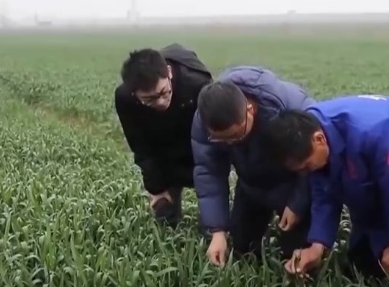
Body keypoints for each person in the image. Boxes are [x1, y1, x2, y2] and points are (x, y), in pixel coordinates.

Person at [263, 94, 389, 282]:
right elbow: (324, 191)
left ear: (319, 139)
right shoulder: (309, 130)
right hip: (379, 164)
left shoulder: (374, 133)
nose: (307, 172)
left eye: (306, 166)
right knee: (362, 259)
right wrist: (317, 245)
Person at [192, 66, 315, 267]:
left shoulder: (290, 109)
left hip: (293, 181)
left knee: (297, 256)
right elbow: (209, 171)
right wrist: (217, 231)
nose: (230, 143)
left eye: (235, 135)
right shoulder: (205, 119)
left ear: (250, 109)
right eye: (221, 139)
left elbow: (313, 162)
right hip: (251, 185)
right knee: (241, 249)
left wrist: (297, 204)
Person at [114, 44, 213, 227]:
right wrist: (156, 189)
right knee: (165, 217)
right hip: (162, 146)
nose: (160, 102)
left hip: (196, 140)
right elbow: (141, 146)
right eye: (149, 99)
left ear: (169, 73)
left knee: (211, 217)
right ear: (134, 93)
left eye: (163, 92)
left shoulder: (198, 85)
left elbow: (211, 144)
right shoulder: (125, 98)